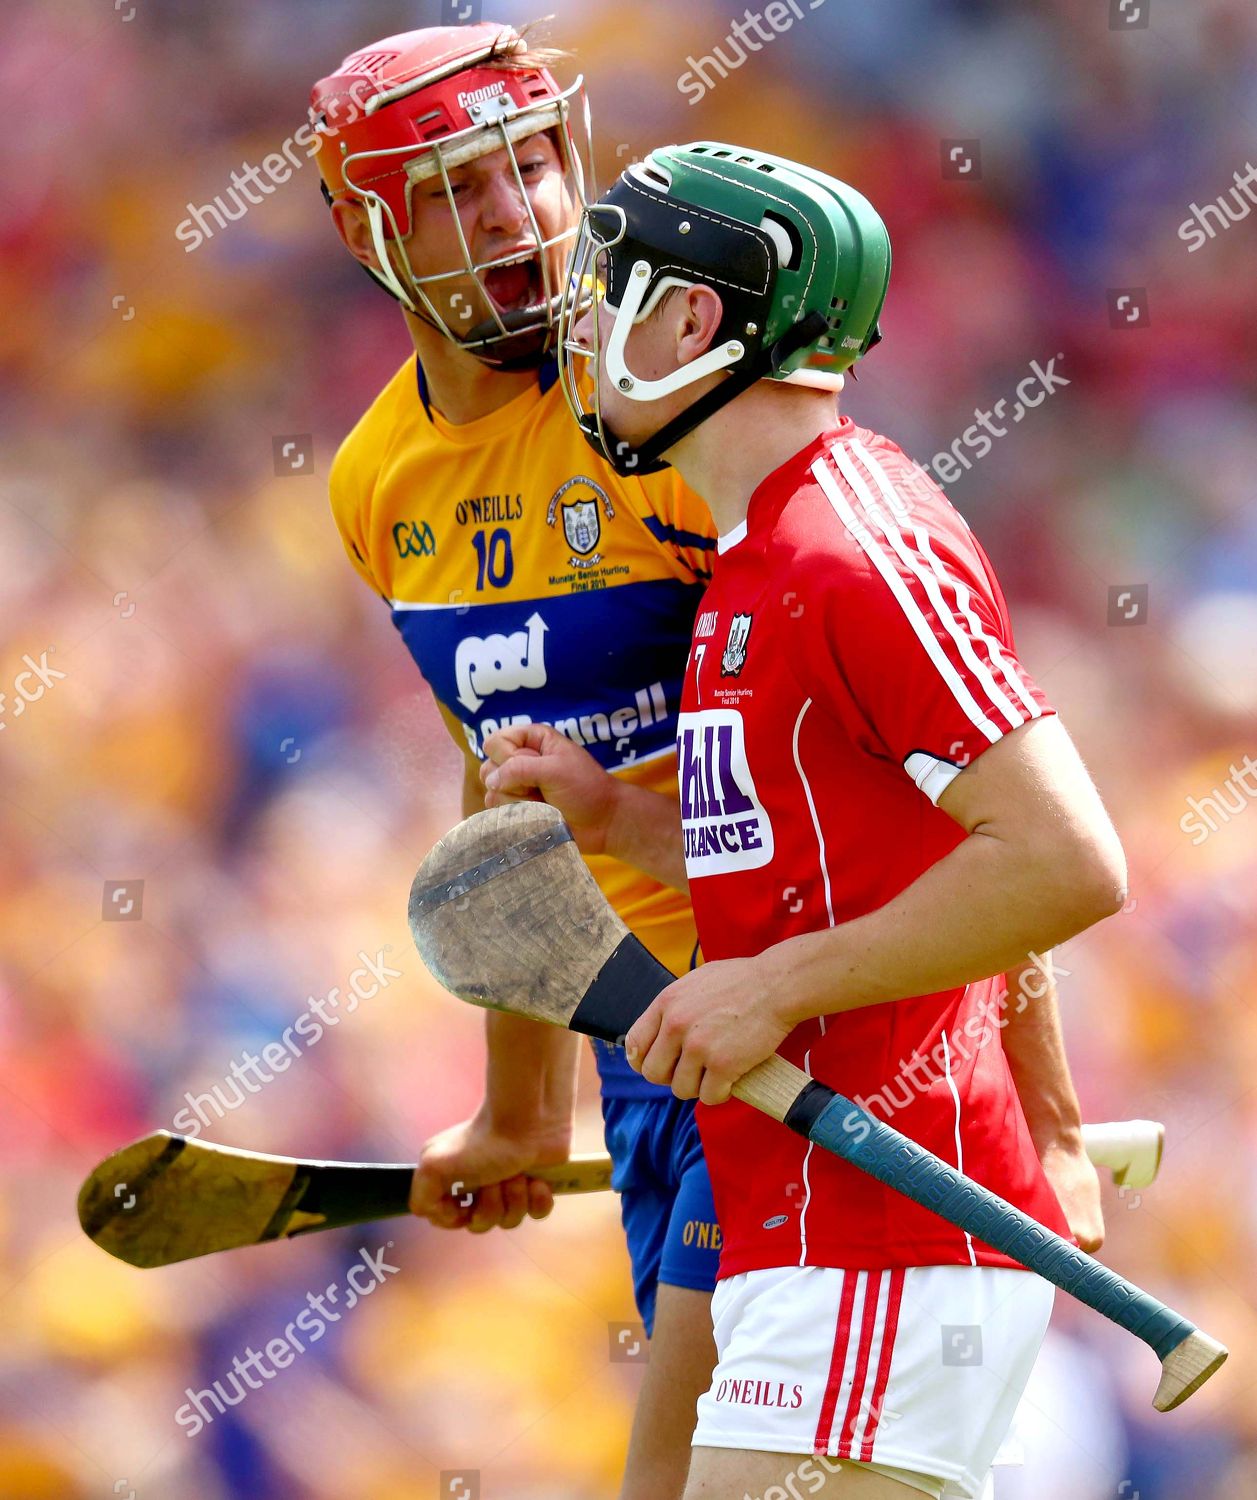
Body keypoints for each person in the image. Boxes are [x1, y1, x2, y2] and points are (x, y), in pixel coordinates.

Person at [481, 142, 1127, 1498]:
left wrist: (775, 990)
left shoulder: (849, 547)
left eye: (613, 285)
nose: (581, 319)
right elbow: (862, 860)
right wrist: (614, 822)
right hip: (814, 1239)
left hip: (883, 1238)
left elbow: (1059, 858)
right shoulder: (752, 554)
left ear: (695, 322)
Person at [311, 24, 722, 1498]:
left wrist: (1040, 1112)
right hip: (637, 1061)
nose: (519, 214)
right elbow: (508, 822)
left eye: (533, 163)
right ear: (368, 228)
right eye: (457, 189)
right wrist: (520, 1110)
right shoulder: (376, 486)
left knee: (680, 1474)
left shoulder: (671, 409)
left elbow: (916, 744)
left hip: (778, 1024)